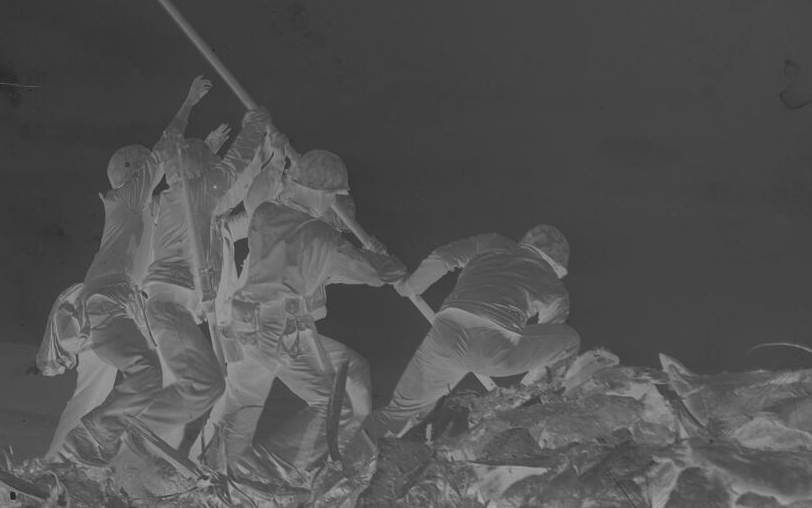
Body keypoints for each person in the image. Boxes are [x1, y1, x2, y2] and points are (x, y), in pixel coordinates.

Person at [205, 140, 407, 478]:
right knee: (333, 406)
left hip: (251, 319)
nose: (333, 202)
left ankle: (218, 466)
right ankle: (274, 469)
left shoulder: (266, 214)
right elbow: (373, 272)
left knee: (248, 399)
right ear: (320, 193)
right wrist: (387, 262)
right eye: (332, 195)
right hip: (279, 325)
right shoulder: (320, 234)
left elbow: (327, 269)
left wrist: (367, 259)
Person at [139, 76, 273, 448]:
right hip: (171, 308)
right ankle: (135, 436)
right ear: (200, 168)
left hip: (169, 306)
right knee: (206, 384)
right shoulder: (197, 192)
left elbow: (169, 143)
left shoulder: (170, 198)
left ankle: (151, 459)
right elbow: (232, 167)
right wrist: (255, 128)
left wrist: (188, 105)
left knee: (178, 388)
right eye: (208, 163)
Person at [36, 114, 174, 464]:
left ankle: (57, 461)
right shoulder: (127, 199)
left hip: (107, 305)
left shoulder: (143, 210)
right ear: (134, 172)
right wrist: (188, 105)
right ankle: (89, 441)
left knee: (91, 392)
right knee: (145, 373)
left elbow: (179, 188)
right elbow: (161, 156)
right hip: (107, 302)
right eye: (143, 170)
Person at [368, 224, 580, 439]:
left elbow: (443, 257)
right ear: (556, 263)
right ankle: (529, 400)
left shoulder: (491, 242)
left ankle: (349, 454)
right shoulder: (553, 284)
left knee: (399, 412)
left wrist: (409, 287)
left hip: (446, 334)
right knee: (569, 339)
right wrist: (526, 385)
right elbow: (550, 336)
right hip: (494, 347)